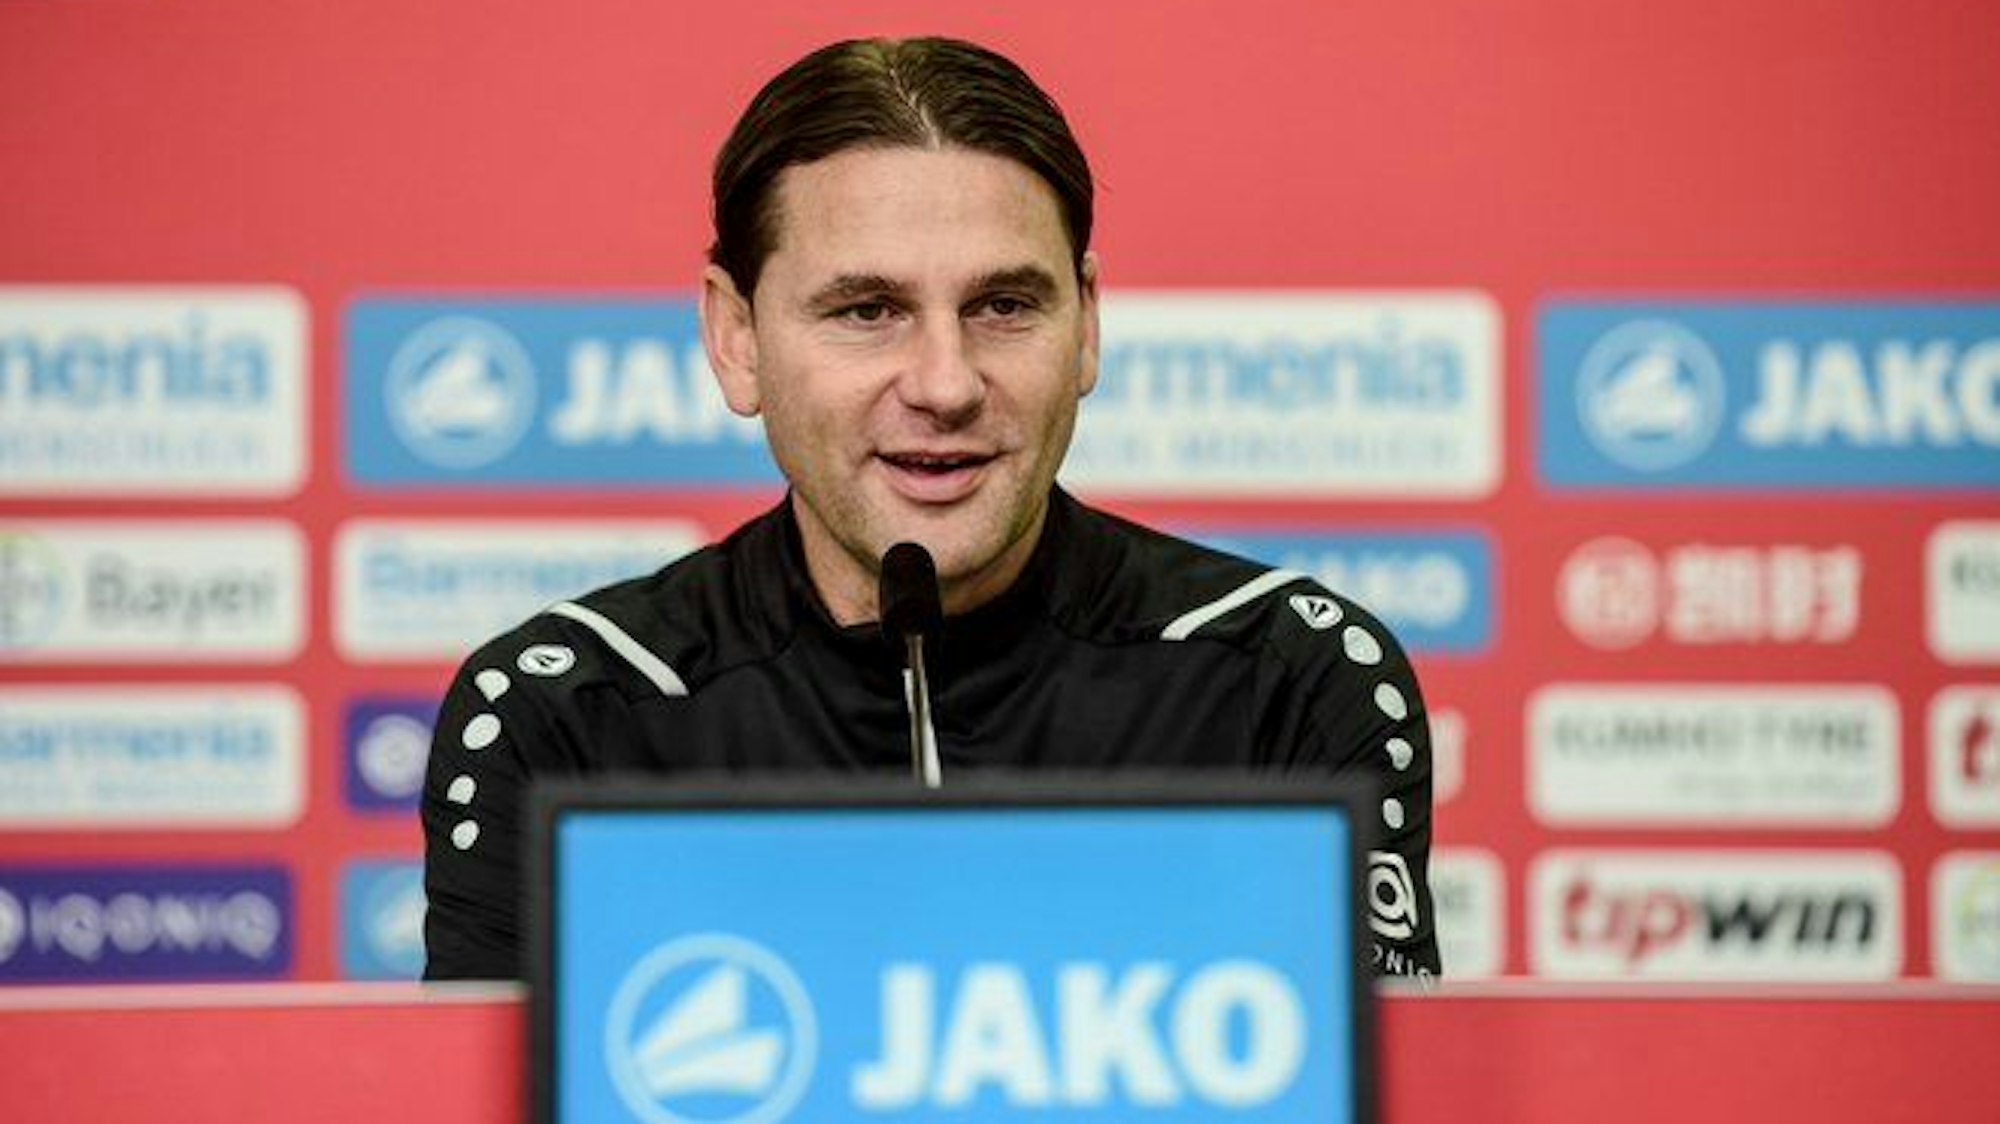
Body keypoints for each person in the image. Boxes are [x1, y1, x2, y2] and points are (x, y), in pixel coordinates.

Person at [421, 36, 1440, 983]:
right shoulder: (568, 714)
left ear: (1085, 324)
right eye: (867, 311)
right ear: (736, 338)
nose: (945, 384)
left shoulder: (1287, 675)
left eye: (1003, 305)